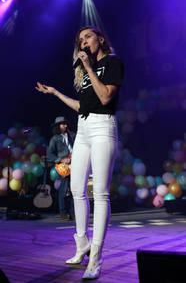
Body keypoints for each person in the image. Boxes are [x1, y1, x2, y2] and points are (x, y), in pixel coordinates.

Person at [36, 26, 124, 280]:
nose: (83, 42)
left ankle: (95, 258)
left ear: (100, 39)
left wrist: (88, 68)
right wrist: (55, 93)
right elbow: (80, 105)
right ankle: (82, 244)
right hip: (83, 128)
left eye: (87, 37)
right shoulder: (85, 74)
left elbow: (106, 97)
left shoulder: (112, 63)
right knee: (76, 189)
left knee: (100, 193)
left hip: (102, 127)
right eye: (80, 40)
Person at [47, 116, 75, 221]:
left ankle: (73, 213)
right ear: (58, 126)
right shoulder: (55, 139)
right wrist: (61, 160)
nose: (66, 125)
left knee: (74, 189)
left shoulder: (72, 135)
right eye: (63, 124)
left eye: (66, 124)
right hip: (64, 166)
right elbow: (50, 154)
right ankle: (63, 213)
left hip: (75, 163)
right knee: (63, 190)